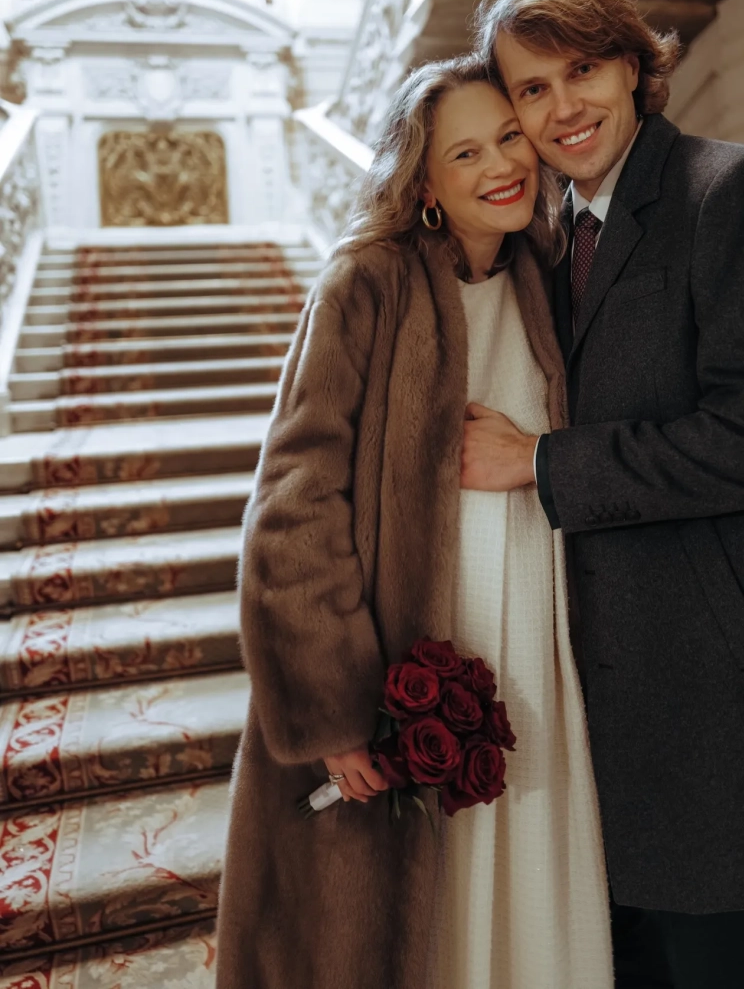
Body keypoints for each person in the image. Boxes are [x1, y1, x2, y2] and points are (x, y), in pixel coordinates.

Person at [459, 0, 744, 988]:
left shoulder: (733, 190)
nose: (562, 108)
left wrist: (537, 462)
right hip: (594, 679)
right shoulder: (547, 235)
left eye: (582, 70)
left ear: (633, 65)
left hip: (713, 674)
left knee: (710, 959)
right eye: (531, 89)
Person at [215, 54, 614, 989]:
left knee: (531, 889)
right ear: (424, 183)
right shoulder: (366, 283)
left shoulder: (546, 272)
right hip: (413, 646)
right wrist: (335, 708)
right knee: (416, 924)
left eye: (509, 138)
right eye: (465, 153)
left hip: (537, 647)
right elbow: (294, 505)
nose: (501, 165)